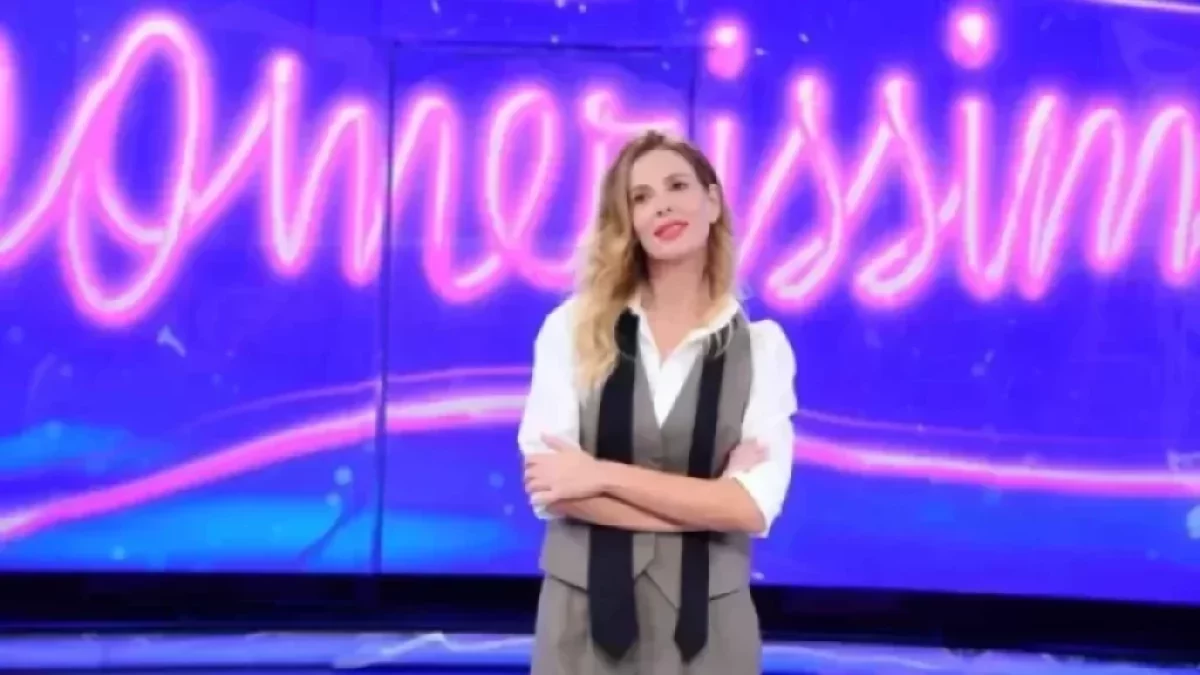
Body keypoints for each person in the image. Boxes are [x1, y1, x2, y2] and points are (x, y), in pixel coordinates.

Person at [519, 130, 798, 674]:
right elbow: (553, 488)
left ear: (712, 202)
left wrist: (599, 474)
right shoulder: (571, 329)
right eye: (640, 197)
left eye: (677, 186)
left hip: (710, 631)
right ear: (628, 222)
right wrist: (704, 505)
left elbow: (749, 508)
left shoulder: (764, 349)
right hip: (582, 625)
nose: (662, 205)